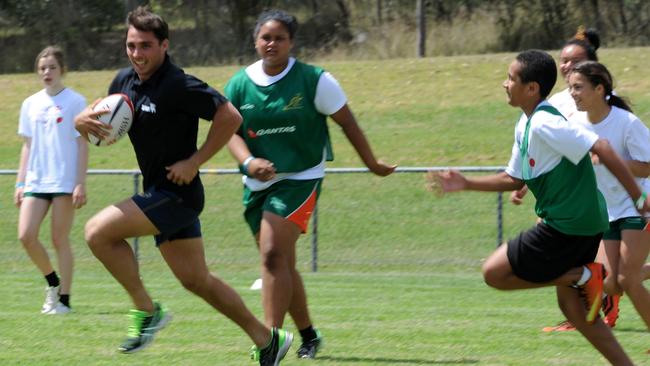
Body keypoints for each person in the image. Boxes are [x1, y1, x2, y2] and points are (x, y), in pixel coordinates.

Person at [73, 7, 291, 364]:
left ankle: (146, 311)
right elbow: (94, 123)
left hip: (177, 194)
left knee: (98, 232)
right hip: (161, 193)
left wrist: (196, 160)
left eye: (145, 45)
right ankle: (267, 339)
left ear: (164, 45)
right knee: (197, 281)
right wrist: (81, 120)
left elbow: (230, 115)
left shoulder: (177, 84)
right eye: (131, 45)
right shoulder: (123, 82)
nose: (137, 54)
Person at [429, 49, 648, 365]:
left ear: (532, 88)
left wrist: (639, 199)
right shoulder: (526, 123)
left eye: (511, 78)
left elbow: (601, 146)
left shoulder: (546, 122)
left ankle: (583, 274)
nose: (505, 84)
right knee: (575, 310)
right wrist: (465, 183)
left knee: (494, 272)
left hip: (568, 225)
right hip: (581, 223)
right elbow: (512, 176)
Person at [225, 9, 396, 359]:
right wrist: (248, 162)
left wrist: (372, 164)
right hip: (258, 184)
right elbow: (229, 132)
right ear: (255, 40)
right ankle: (309, 335)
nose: (271, 43)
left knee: (272, 255)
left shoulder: (315, 80)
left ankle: (269, 342)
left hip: (301, 179)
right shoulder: (239, 84)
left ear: (292, 42)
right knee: (281, 263)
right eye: (265, 37)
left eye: (279, 38)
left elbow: (348, 123)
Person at [568, 60, 650, 334]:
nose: (573, 93)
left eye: (578, 87)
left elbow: (647, 166)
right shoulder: (574, 123)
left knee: (628, 280)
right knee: (609, 283)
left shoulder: (626, 123)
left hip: (639, 206)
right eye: (570, 88)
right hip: (607, 211)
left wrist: (609, 160)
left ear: (599, 88)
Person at [15, 46, 88, 315]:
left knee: (60, 239)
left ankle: (65, 301)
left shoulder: (76, 102)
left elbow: (82, 145)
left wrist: (80, 182)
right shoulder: (30, 104)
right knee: (26, 236)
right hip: (36, 182)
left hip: (64, 182)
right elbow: (27, 146)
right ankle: (52, 283)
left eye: (52, 67)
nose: (47, 72)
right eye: (42, 67)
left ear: (62, 70)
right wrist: (20, 183)